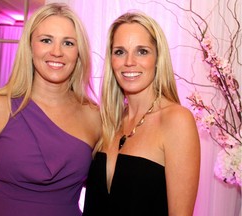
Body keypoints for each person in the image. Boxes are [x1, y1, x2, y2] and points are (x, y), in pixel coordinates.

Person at [0, 3, 101, 216]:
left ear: (79, 53)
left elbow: (107, 188)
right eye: (46, 40)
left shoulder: (94, 116)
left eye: (68, 43)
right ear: (30, 47)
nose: (57, 52)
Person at [82, 11, 200, 216]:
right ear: (111, 59)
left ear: (157, 58)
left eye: (142, 51)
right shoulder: (107, 121)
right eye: (120, 52)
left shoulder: (176, 120)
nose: (129, 62)